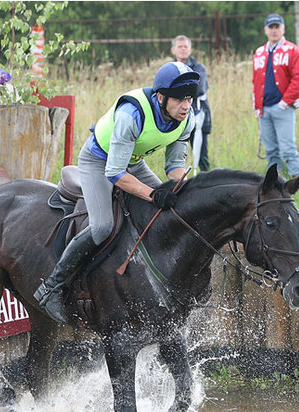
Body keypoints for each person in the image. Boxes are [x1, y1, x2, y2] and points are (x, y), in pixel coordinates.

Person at [34, 62, 198, 324]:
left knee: (171, 210)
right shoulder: (131, 114)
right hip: (99, 162)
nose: (186, 105)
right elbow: (115, 174)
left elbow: (175, 168)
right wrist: (154, 195)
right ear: (160, 97)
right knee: (101, 227)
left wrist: (186, 191)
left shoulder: (187, 118)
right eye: (179, 99)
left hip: (133, 163)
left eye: (189, 98)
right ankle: (52, 287)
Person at [252, 13, 299, 177]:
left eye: (277, 27)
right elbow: (255, 80)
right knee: (271, 150)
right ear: (265, 30)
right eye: (271, 27)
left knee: (288, 148)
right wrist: (256, 106)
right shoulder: (259, 52)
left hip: (283, 108)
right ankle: (274, 184)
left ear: (283, 29)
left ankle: (297, 180)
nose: (274, 31)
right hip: (264, 109)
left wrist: (285, 102)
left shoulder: (293, 51)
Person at [171, 35, 211, 171]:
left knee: (202, 154)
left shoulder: (199, 68)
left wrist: (175, 91)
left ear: (190, 49)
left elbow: (198, 89)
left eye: (185, 46)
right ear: (173, 50)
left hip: (197, 114)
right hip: (175, 115)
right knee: (176, 154)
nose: (183, 49)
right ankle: (178, 182)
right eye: (179, 46)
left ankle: (207, 181)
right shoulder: (170, 68)